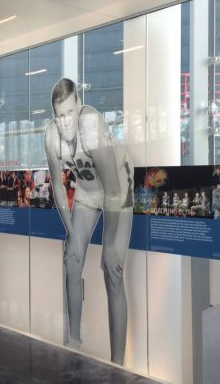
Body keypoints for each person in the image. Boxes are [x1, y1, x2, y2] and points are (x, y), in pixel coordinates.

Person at [44, 78, 133, 365]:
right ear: (54, 117)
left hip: (118, 187)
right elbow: (58, 189)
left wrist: (108, 245)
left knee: (113, 269)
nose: (66, 122)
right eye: (60, 116)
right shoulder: (51, 136)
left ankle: (117, 363)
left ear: (78, 107)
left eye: (70, 113)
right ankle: (74, 341)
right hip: (86, 191)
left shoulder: (91, 125)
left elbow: (114, 191)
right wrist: (72, 235)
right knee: (71, 257)